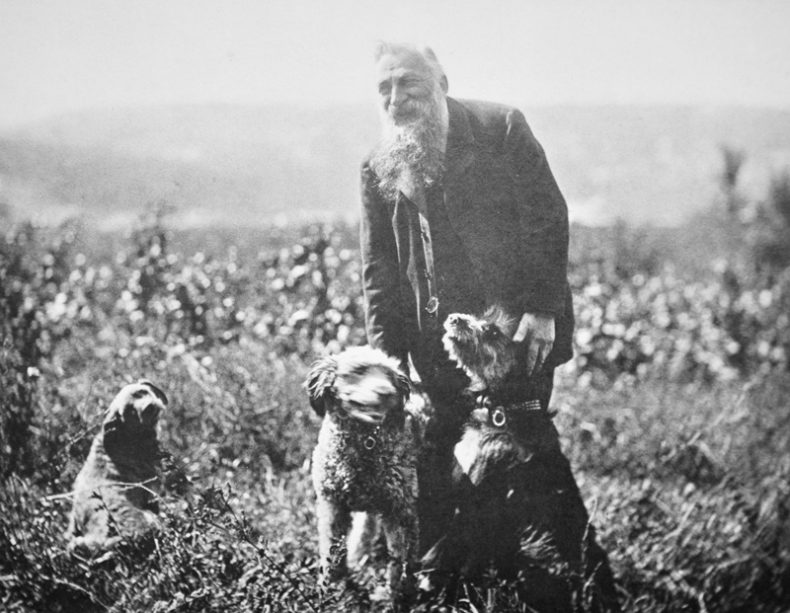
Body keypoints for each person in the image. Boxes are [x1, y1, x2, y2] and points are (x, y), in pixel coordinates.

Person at [359, 42, 619, 608]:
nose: (397, 99)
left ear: (442, 81)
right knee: (435, 464)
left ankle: (575, 581)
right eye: (385, 89)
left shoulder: (500, 129)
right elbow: (380, 271)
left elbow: (548, 217)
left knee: (523, 457)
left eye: (409, 84)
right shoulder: (378, 164)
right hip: (435, 350)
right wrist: (387, 358)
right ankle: (443, 584)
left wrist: (544, 310)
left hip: (513, 339)